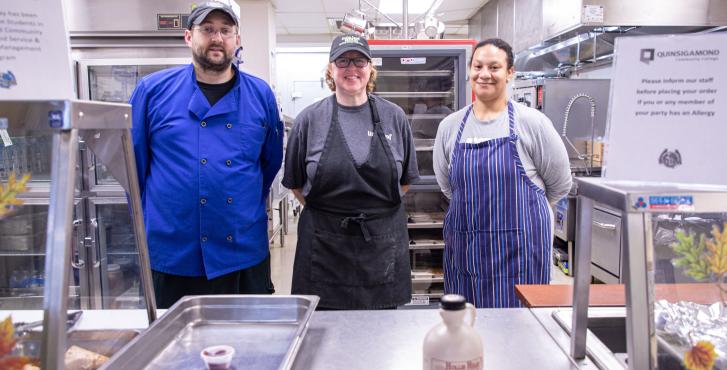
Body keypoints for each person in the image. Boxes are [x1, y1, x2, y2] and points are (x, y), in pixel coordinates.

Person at [130, 2, 283, 308]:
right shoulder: (152, 91)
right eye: (208, 29)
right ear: (189, 37)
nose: (217, 38)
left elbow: (269, 163)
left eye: (226, 30)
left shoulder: (260, 94)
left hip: (241, 250)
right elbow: (134, 170)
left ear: (237, 40)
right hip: (173, 252)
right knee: (172, 348)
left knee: (249, 345)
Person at [282, 34, 420, 309]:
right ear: (331, 69)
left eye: (359, 61)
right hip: (324, 247)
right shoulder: (309, 120)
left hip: (382, 245)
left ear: (370, 69)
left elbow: (404, 181)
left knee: (381, 337)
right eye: (343, 61)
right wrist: (332, 215)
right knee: (324, 338)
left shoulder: (394, 116)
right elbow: (296, 184)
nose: (351, 68)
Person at [433, 38, 572, 308]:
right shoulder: (450, 127)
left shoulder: (532, 123)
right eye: (478, 66)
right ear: (470, 71)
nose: (484, 74)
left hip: (520, 253)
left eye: (494, 67)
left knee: (519, 332)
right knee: (466, 327)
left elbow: (559, 185)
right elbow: (448, 187)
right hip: (467, 251)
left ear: (510, 73)